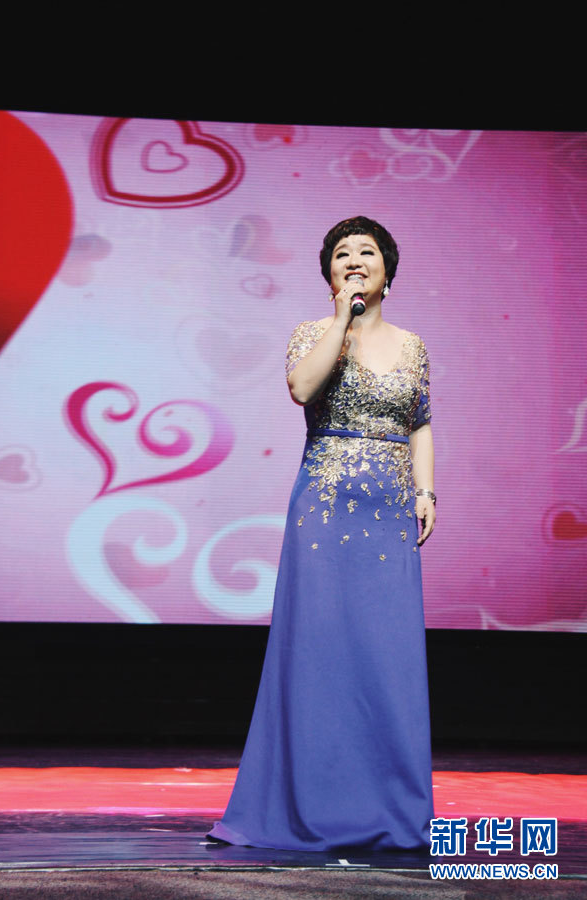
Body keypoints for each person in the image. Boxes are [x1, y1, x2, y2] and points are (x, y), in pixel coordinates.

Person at [206, 216, 435, 851]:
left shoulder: (414, 346)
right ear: (329, 272)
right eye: (341, 254)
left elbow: (420, 422)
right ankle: (309, 804)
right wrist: (341, 321)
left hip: (388, 513)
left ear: (389, 268)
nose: (354, 260)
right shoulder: (312, 333)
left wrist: (425, 492)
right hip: (326, 513)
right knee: (320, 654)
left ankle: (392, 807)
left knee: (386, 659)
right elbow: (302, 388)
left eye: (367, 252)